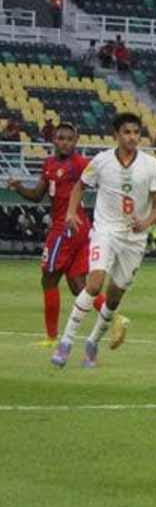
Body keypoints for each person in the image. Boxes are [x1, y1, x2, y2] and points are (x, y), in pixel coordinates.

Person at [51, 112, 156, 369]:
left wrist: (146, 223)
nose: (132, 137)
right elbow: (80, 186)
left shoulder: (151, 165)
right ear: (116, 135)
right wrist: (71, 212)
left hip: (134, 238)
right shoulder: (102, 161)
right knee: (94, 283)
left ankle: (92, 342)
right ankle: (66, 342)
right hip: (105, 231)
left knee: (114, 298)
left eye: (136, 132)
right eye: (127, 132)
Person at [7, 122, 106, 346]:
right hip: (78, 228)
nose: (65, 142)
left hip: (66, 229)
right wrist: (19, 187)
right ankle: (113, 316)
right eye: (61, 138)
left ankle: (51, 337)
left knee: (49, 279)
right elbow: (37, 195)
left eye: (69, 139)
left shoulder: (80, 163)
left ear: (76, 141)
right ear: (54, 140)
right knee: (77, 283)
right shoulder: (49, 164)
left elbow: (102, 182)